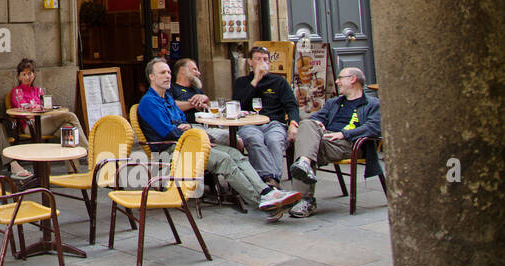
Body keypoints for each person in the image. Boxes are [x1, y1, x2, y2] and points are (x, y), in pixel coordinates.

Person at [139, 57, 301, 215]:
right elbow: (170, 132)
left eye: (168, 72)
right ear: (151, 77)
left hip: (186, 142)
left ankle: (266, 190)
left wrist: (192, 134)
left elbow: (182, 122)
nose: (168, 76)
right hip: (171, 150)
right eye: (162, 73)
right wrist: (198, 139)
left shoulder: (167, 97)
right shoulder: (149, 102)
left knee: (235, 153)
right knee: (225, 160)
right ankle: (259, 200)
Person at [285, 67, 382, 218]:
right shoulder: (334, 103)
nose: (337, 81)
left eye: (340, 78)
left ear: (352, 79)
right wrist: (318, 123)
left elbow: (373, 128)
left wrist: (344, 134)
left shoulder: (372, 104)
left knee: (305, 143)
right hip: (325, 139)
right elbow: (316, 118)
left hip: (350, 144)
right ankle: (304, 163)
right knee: (307, 124)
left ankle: (305, 199)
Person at [231, 46, 300, 185]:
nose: (262, 62)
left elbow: (292, 106)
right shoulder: (241, 82)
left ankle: (270, 180)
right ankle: (272, 179)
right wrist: (255, 80)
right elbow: (238, 105)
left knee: (274, 141)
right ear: (250, 62)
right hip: (249, 123)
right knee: (254, 139)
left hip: (274, 123)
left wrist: (293, 124)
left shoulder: (279, 82)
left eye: (265, 59)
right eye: (258, 59)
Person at [8, 58, 70, 140]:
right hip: (30, 126)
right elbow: (24, 111)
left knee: (68, 126)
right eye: (24, 74)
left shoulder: (38, 90)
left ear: (34, 75)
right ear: (19, 77)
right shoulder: (16, 92)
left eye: (30, 73)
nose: (27, 77)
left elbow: (46, 107)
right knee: (70, 117)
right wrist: (36, 109)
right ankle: (87, 148)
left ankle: (74, 150)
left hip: (44, 120)